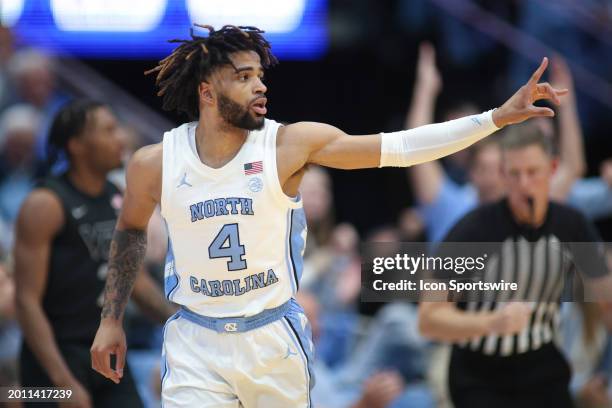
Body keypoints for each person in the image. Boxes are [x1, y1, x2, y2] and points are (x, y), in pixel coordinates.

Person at [89, 24, 567, 407]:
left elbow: (399, 149)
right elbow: (130, 230)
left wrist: (494, 118)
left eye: (260, 74)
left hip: (270, 337)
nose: (260, 85)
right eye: (243, 76)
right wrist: (111, 319)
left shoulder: (287, 144)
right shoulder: (155, 162)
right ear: (207, 91)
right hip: (195, 339)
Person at [418, 125, 611, 408]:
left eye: (533, 172)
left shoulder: (572, 226)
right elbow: (429, 319)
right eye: (514, 174)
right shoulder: (473, 231)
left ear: (553, 168)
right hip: (478, 374)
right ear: (503, 175)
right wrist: (491, 323)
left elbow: (607, 300)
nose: (524, 185)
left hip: (542, 366)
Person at [14, 100, 175, 408]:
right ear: (76, 144)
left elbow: (134, 280)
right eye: (108, 130)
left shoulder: (116, 197)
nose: (121, 139)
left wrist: (179, 322)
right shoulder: (45, 203)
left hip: (107, 350)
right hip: (51, 362)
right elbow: (26, 302)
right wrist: (62, 383)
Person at [406, 44, 587, 244]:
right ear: (471, 174)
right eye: (484, 168)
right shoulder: (453, 206)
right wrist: (426, 89)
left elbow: (572, 167)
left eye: (498, 168)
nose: (492, 177)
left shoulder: (529, 202)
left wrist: (566, 104)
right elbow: (414, 150)